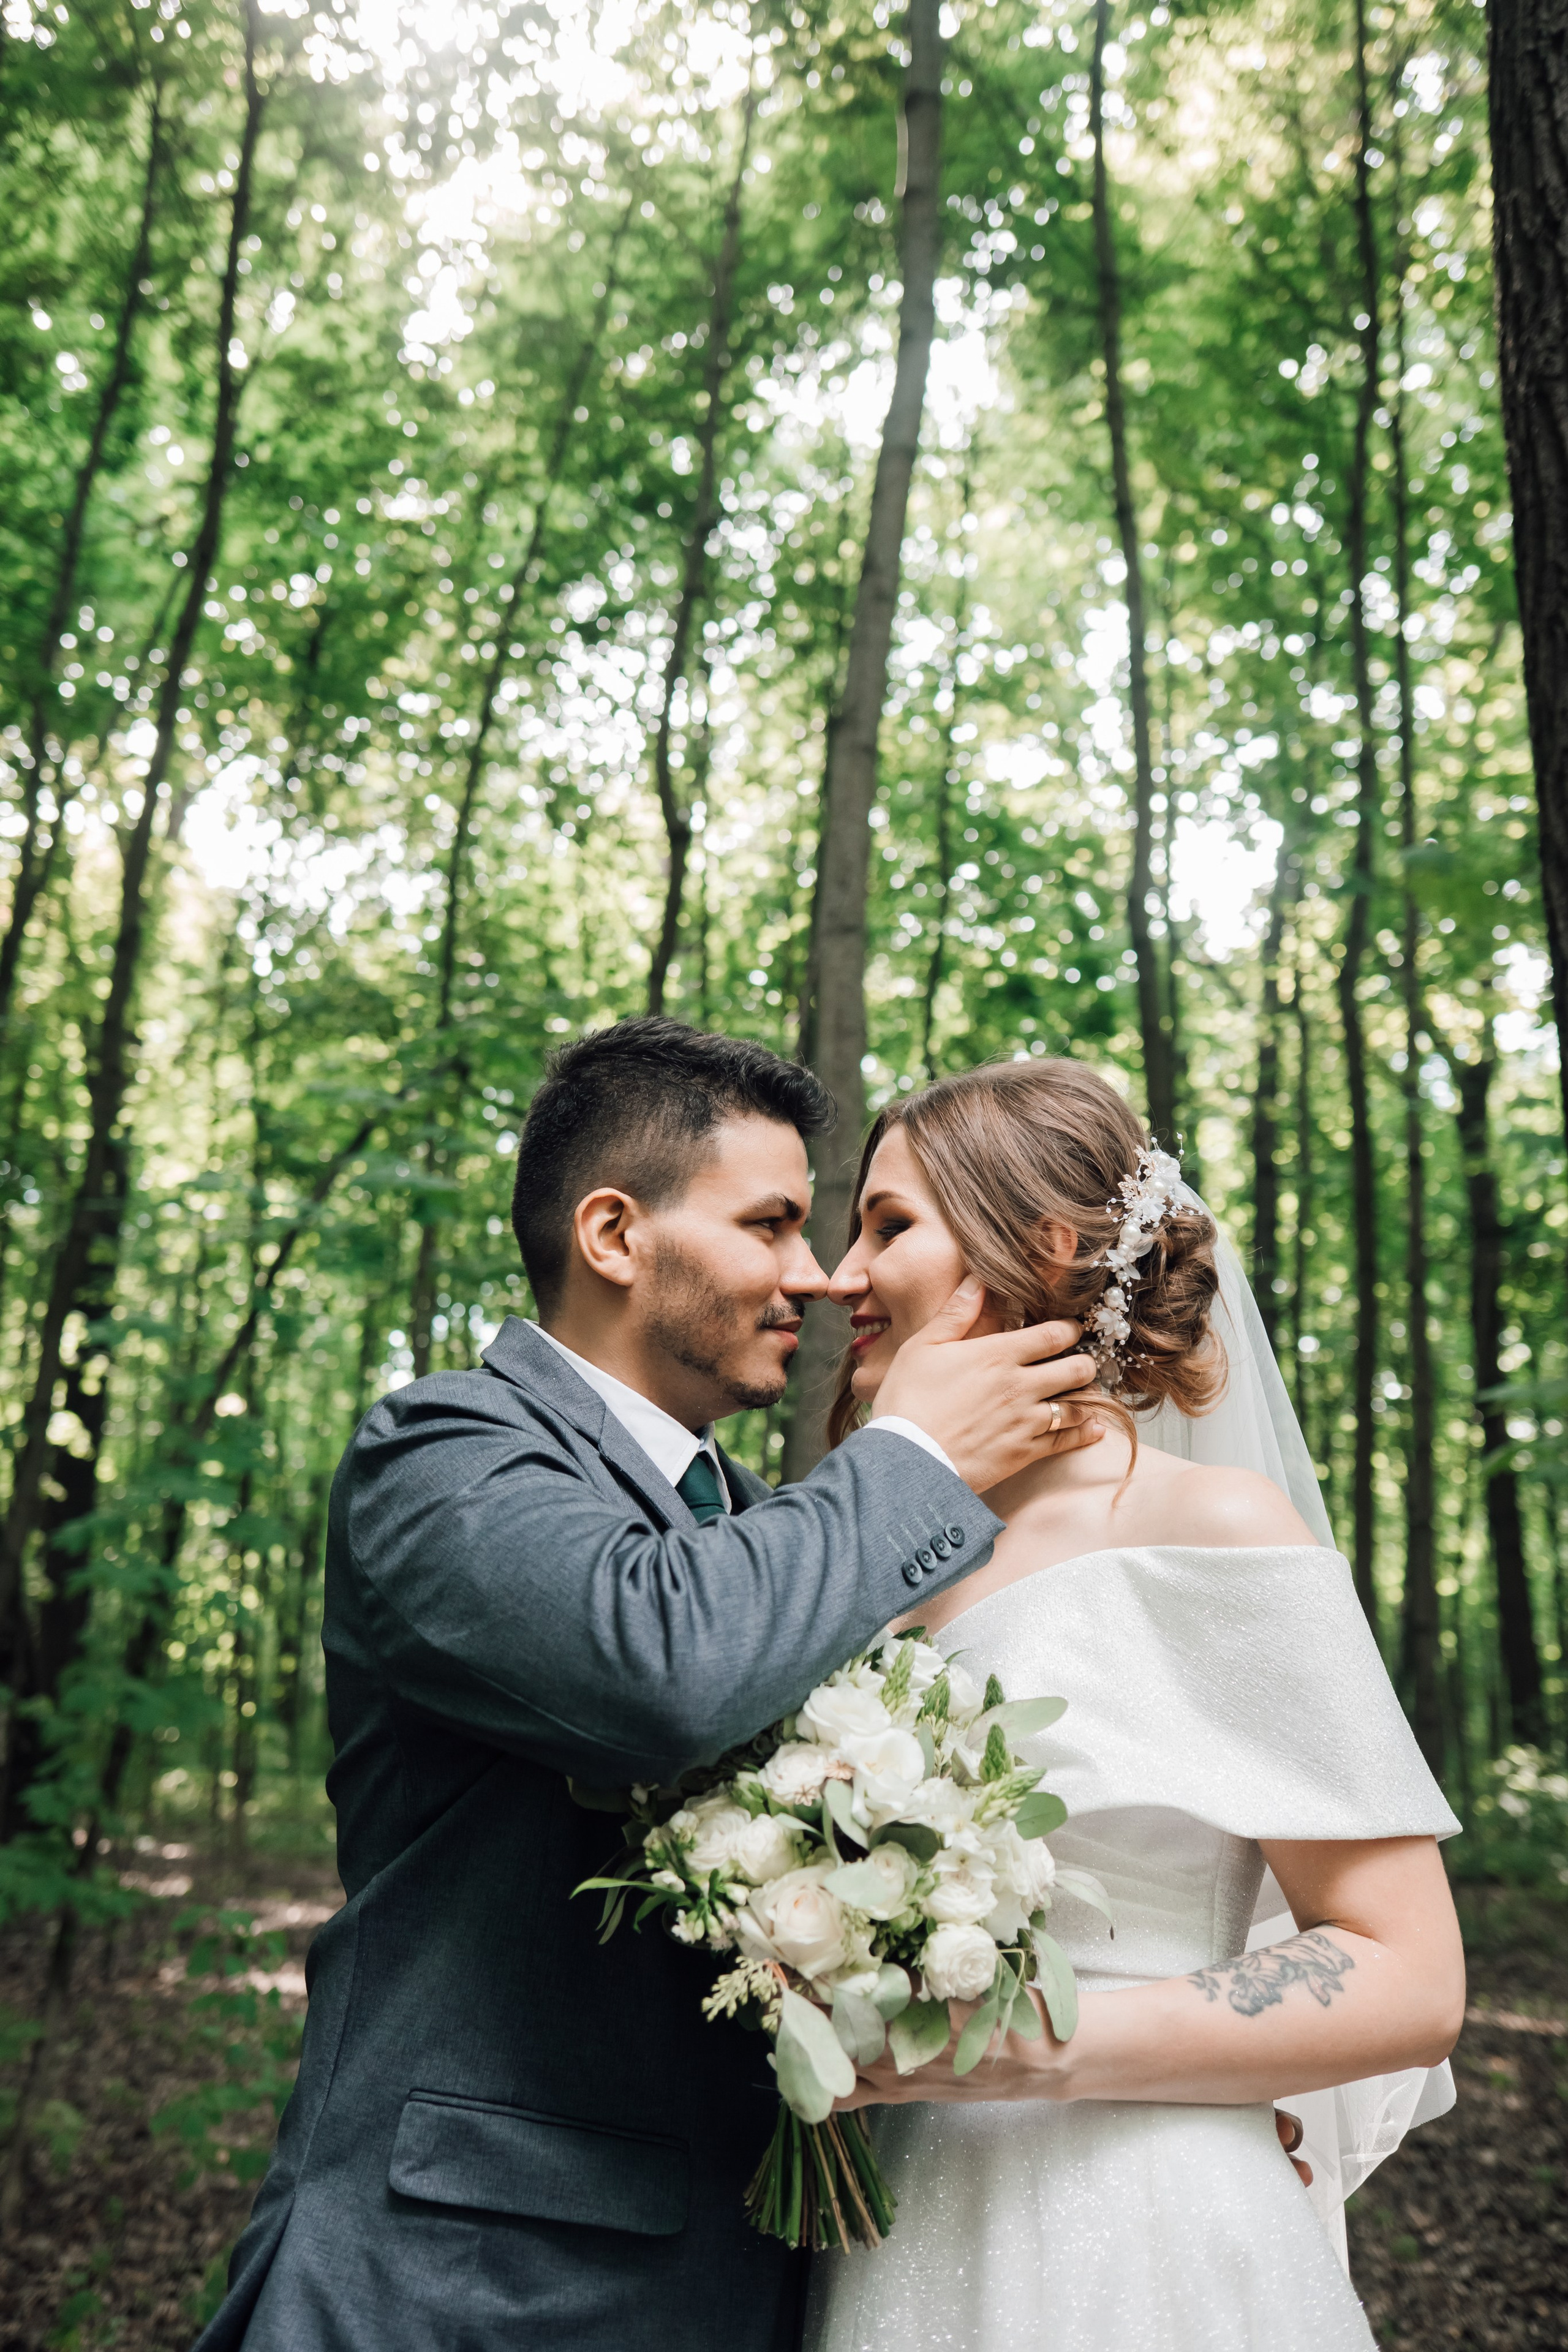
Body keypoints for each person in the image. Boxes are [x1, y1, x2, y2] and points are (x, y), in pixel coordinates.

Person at [192, 1018, 1107, 2352]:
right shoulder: (440, 1454)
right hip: (464, 2287)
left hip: (743, 2282)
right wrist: (915, 1453)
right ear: (615, 1235)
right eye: (770, 1225)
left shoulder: (771, 1531)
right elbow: (657, 1671)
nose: (817, 1278)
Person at [805, 1058, 1464, 2352]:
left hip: (1137, 2229)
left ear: (1044, 1245)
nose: (840, 1276)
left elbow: (1409, 1976)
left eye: (886, 1227)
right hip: (892, 2225)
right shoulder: (871, 1568)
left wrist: (1025, 2045)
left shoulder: (1210, 1529)